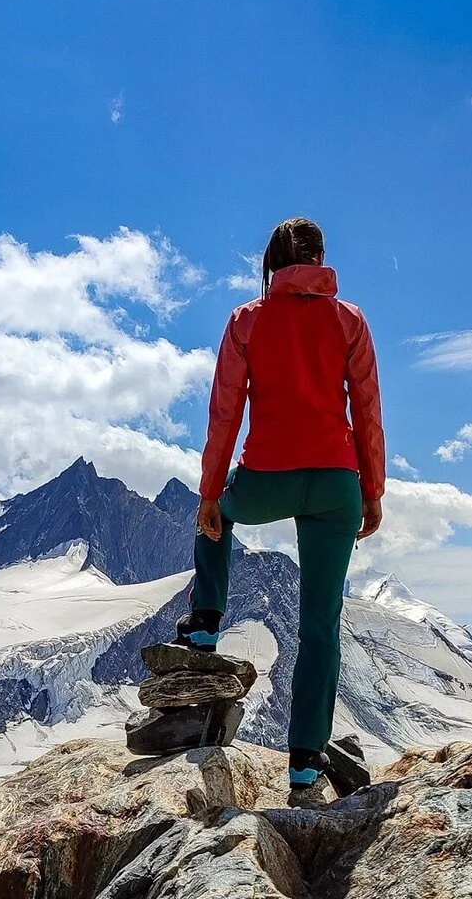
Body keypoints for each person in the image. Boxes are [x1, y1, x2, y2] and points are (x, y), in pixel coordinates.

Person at [176, 216, 384, 799]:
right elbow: (367, 409)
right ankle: (304, 762)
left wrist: (211, 493)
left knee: (217, 519)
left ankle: (206, 624)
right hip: (338, 482)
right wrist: (373, 492)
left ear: (271, 263)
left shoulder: (247, 320)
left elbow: (225, 412)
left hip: (267, 474)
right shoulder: (350, 321)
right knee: (321, 626)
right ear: (321, 262)